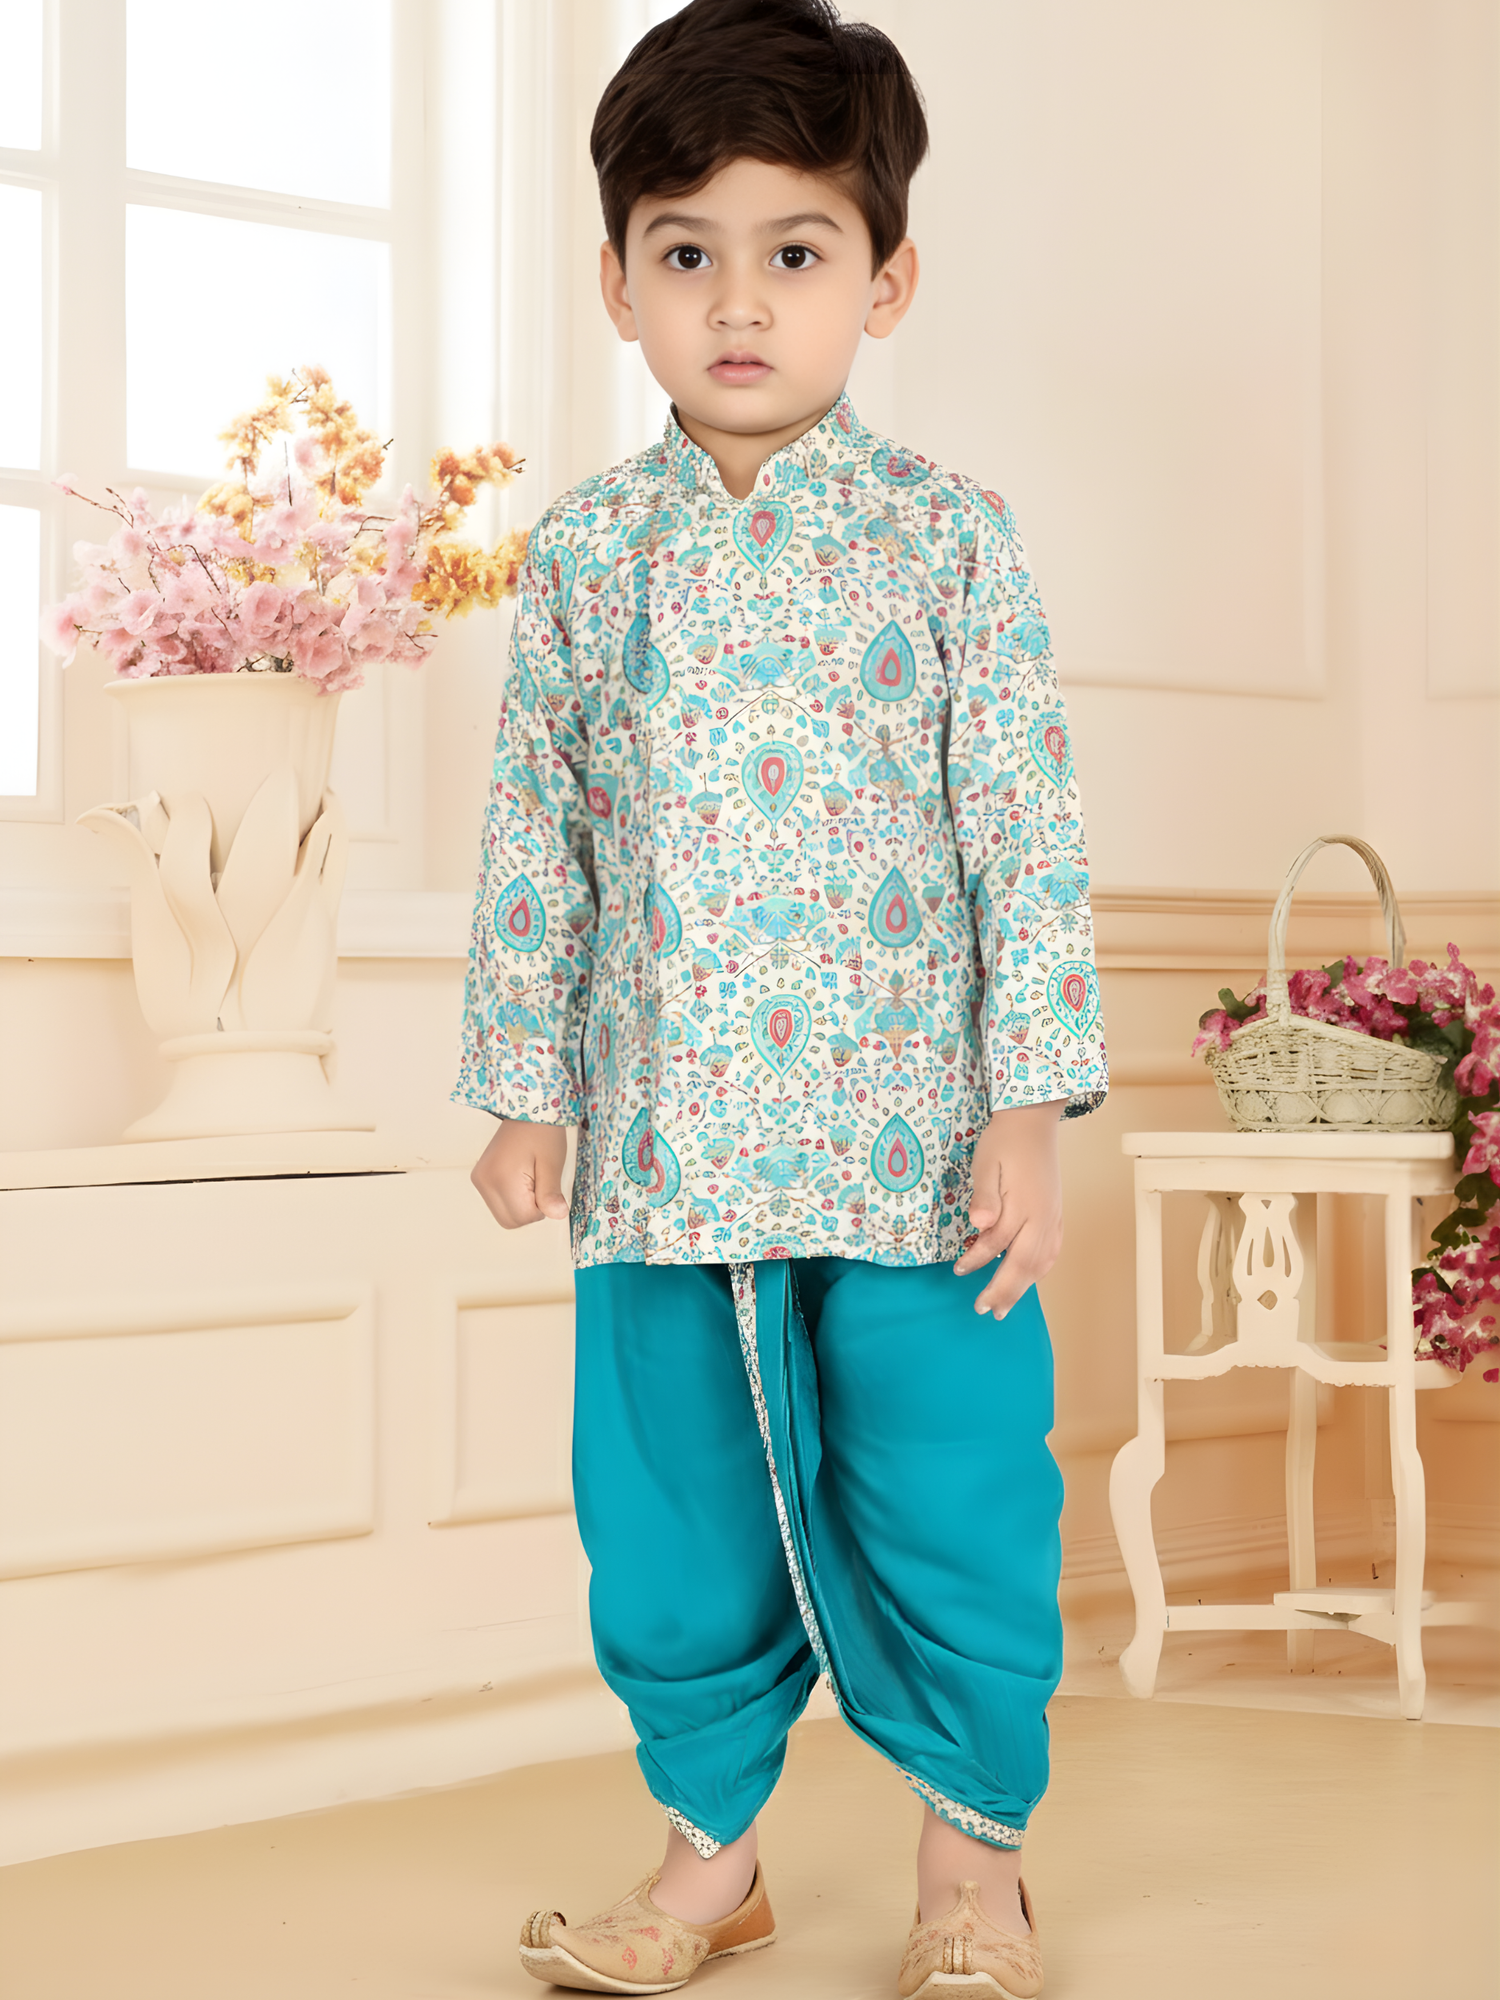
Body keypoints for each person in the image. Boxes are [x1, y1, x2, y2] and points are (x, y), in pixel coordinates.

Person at [458, 3, 1107, 1992]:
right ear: (618, 283)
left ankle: (973, 1869)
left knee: (954, 1498)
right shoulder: (587, 557)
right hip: (664, 1152)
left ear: (883, 280)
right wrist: (528, 1083)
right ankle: (708, 1862)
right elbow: (541, 834)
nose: (738, 300)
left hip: (916, 1152)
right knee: (670, 1522)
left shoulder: (950, 540)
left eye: (795, 250)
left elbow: (1022, 832)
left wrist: (1027, 1106)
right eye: (687, 252)